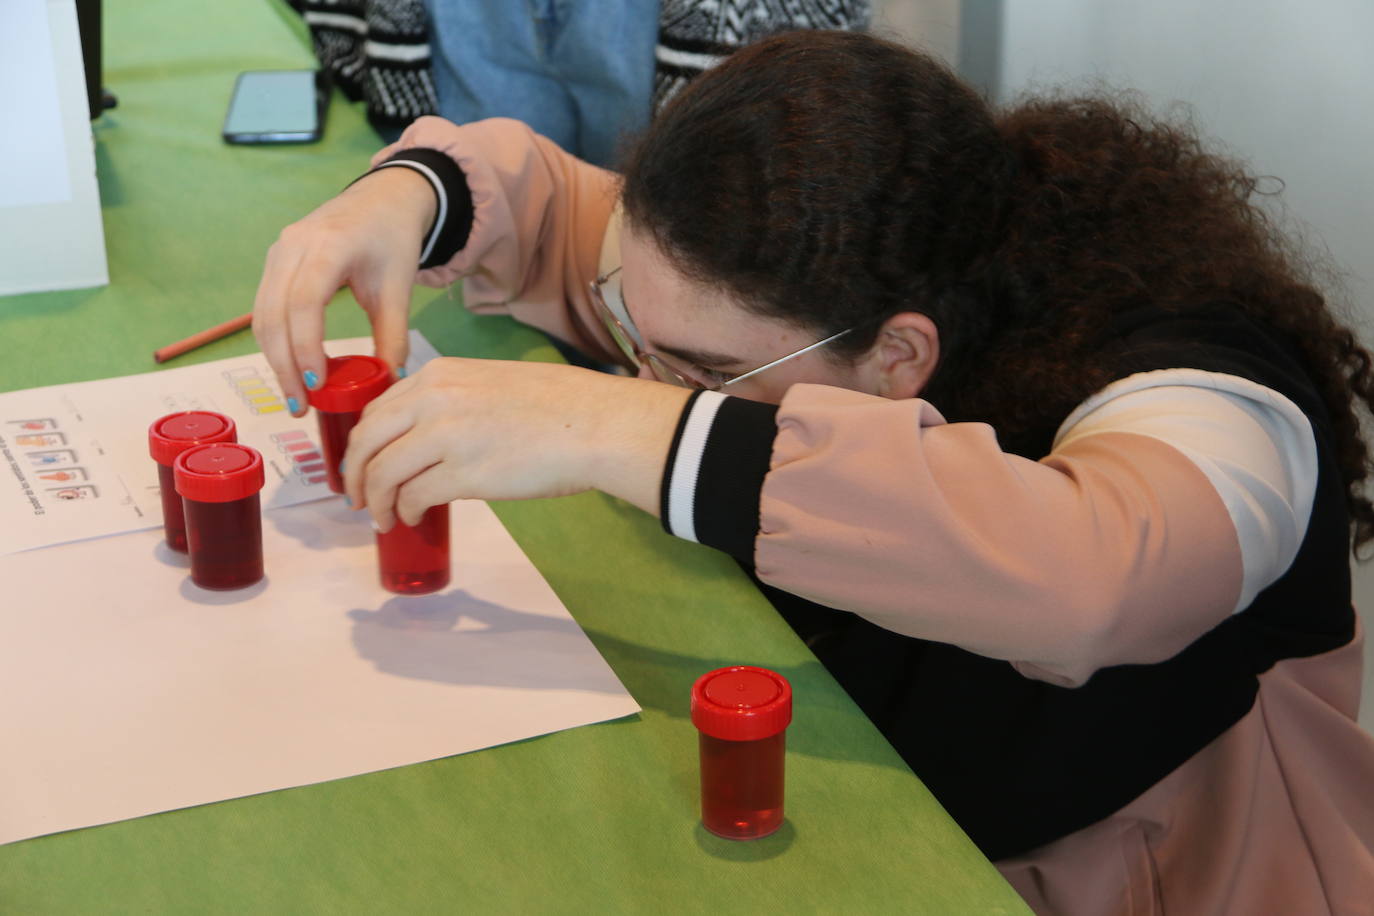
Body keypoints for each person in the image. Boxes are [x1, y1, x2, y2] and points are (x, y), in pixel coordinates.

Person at [252, 31, 1374, 913]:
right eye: (634, 336)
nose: (652, 374)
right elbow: (558, 205)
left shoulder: (1213, 389)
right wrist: (412, 195)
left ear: (898, 356)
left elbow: (1093, 576)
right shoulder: (772, 283)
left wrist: (613, 423)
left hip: (1151, 868)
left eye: (699, 371)